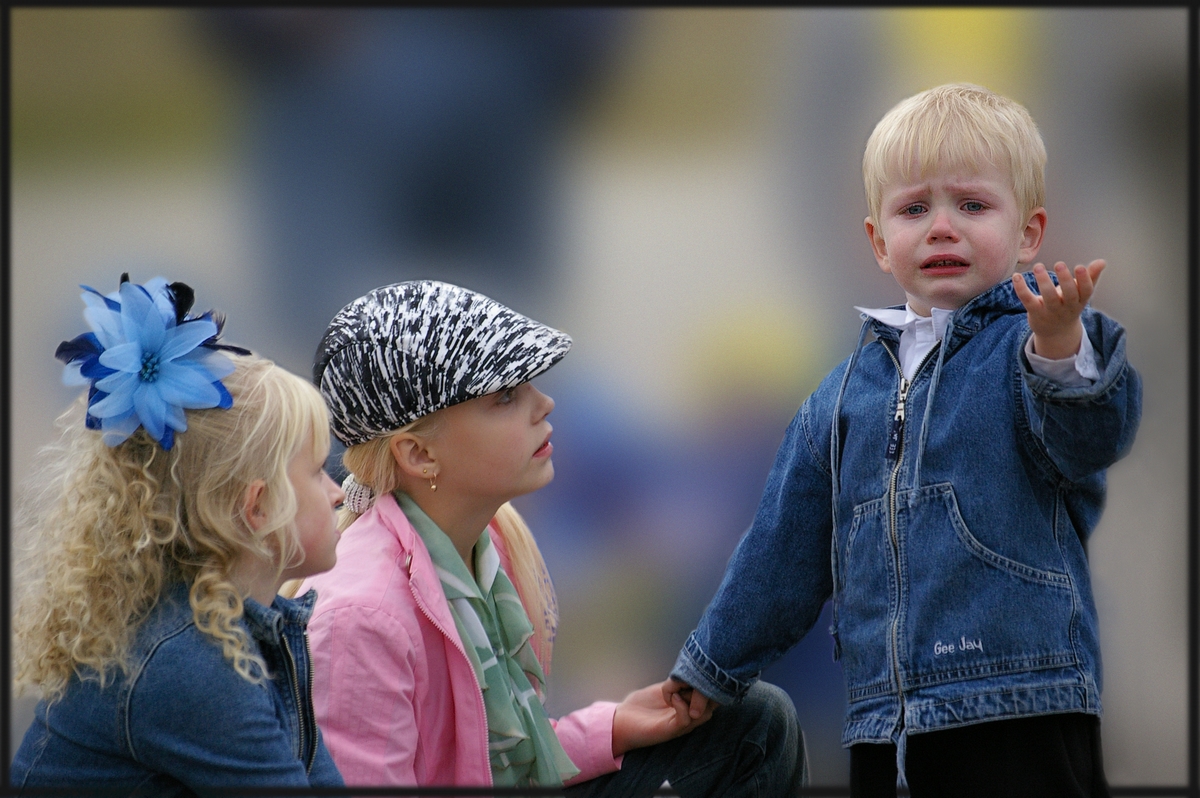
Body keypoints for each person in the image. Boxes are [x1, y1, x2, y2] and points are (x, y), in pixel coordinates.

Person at [666, 83, 1141, 797]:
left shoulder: (1030, 350)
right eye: (915, 209)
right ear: (878, 242)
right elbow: (781, 548)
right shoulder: (842, 391)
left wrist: (1058, 342)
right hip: (884, 721)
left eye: (972, 206)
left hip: (1021, 699)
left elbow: (1088, 437)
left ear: (1029, 233)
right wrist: (709, 668)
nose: (942, 227)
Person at [299, 279, 807, 795]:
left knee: (755, 722)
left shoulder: (480, 546)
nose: (544, 404)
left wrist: (615, 725)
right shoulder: (360, 619)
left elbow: (499, 761)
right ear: (420, 455)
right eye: (505, 396)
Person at [11, 275, 346, 793]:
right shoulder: (191, 665)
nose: (338, 493)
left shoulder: (240, 626)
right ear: (257, 508)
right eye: (320, 471)